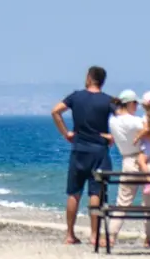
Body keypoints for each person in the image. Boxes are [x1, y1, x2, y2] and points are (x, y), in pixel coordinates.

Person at [51, 66, 115, 246]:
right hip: (99, 151)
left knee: (73, 193)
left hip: (79, 149)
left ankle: (70, 234)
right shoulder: (108, 100)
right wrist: (113, 136)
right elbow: (123, 119)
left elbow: (55, 111)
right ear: (102, 81)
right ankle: (94, 235)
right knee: (96, 193)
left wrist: (66, 133)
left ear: (89, 77)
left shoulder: (76, 96)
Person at [107, 89, 150, 248]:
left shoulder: (112, 120)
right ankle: (148, 239)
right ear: (129, 103)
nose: (136, 106)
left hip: (127, 161)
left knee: (122, 202)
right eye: (135, 103)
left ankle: (111, 236)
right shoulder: (134, 121)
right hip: (145, 159)